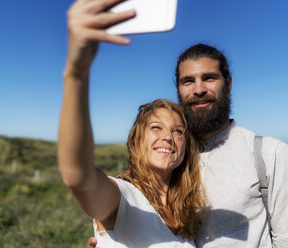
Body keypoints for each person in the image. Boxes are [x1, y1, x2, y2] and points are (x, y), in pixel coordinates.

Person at [87, 5, 288, 248]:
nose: (199, 89)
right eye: (188, 81)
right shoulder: (170, 155)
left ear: (228, 84)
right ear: (179, 90)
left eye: (209, 78)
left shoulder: (270, 154)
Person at [58, 0, 207, 247]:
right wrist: (76, 72)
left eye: (178, 131)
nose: (168, 137)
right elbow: (78, 177)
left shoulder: (186, 210)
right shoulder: (122, 197)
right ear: (137, 140)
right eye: (156, 127)